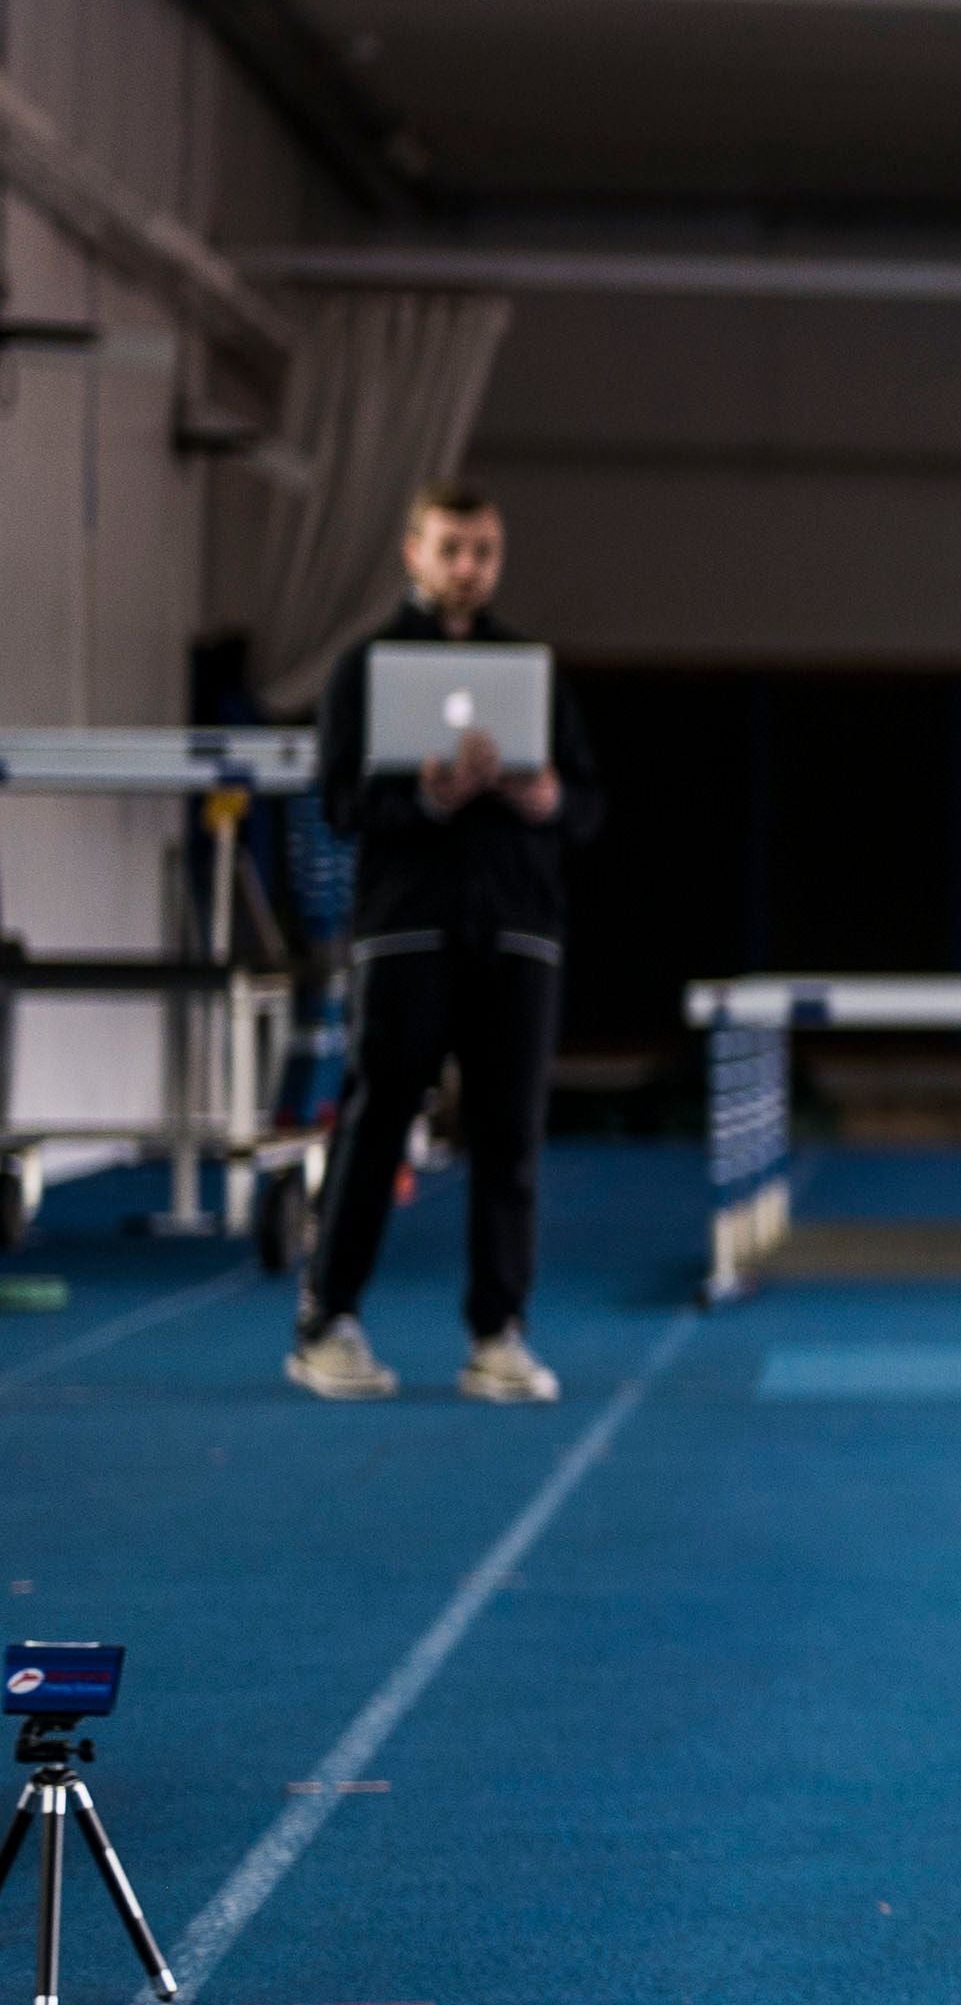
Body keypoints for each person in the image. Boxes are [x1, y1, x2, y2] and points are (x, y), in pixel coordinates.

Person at [293, 481, 597, 1405]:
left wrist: (549, 802)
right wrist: (425, 798)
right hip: (407, 928)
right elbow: (341, 802)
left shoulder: (533, 669)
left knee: (509, 1135)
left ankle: (497, 1335)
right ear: (412, 553)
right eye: (452, 548)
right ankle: (327, 1323)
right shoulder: (366, 666)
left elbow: (587, 803)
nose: (469, 568)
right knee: (380, 1114)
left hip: (519, 932)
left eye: (485, 551)